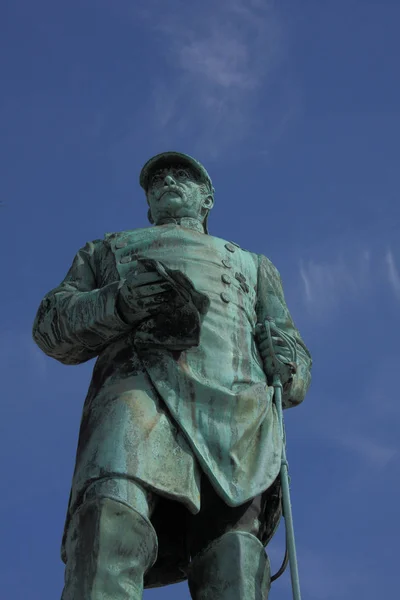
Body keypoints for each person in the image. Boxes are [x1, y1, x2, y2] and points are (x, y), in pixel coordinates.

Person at [33, 151, 312, 600]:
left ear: (207, 199)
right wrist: (120, 302)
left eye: (182, 174)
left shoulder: (252, 265)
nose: (167, 180)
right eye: (157, 177)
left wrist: (287, 362)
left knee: (232, 555)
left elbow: (291, 354)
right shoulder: (105, 250)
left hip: (236, 413)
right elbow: (50, 325)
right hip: (134, 393)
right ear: (147, 202)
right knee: (108, 520)